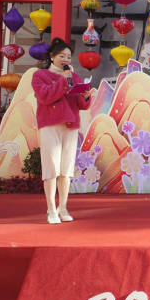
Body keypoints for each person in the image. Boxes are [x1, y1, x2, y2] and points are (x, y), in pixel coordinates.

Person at [31, 37, 92, 224]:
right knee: (51, 169)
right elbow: (45, 97)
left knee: (66, 170)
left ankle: (63, 208)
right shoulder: (40, 76)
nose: (66, 59)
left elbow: (81, 105)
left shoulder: (74, 77)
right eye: (62, 56)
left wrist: (85, 96)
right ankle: (51, 210)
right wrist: (63, 81)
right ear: (52, 56)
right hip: (50, 126)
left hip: (70, 126)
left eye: (68, 56)